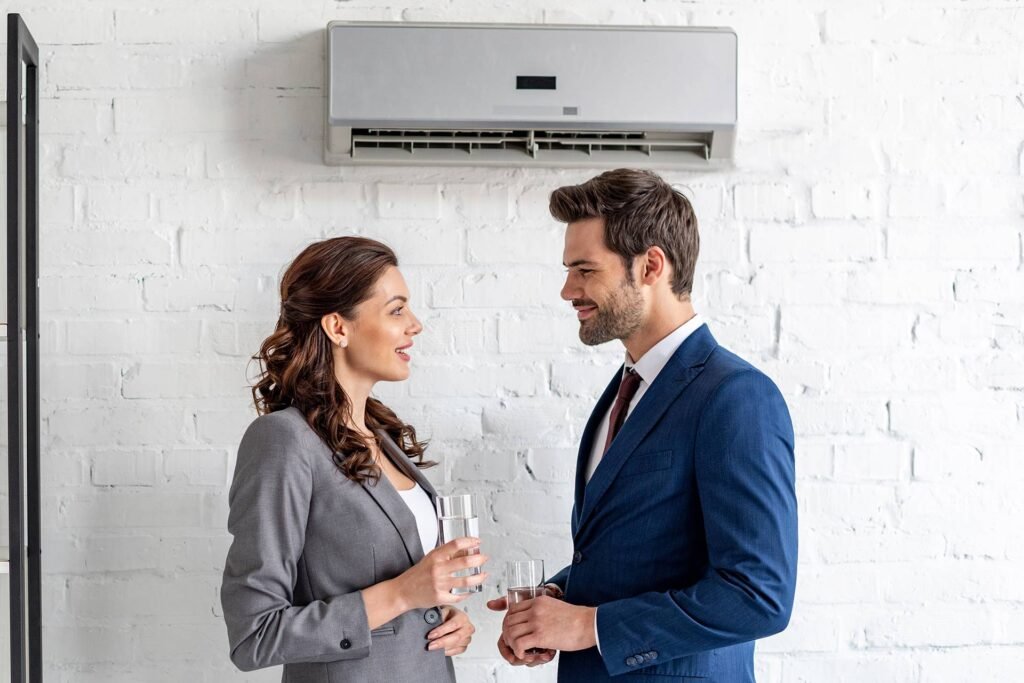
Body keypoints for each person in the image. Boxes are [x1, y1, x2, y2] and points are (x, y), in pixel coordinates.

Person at [487, 169, 798, 682]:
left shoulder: (735, 397)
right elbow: (638, 552)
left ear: (651, 265)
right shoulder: (626, 387)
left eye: (584, 270)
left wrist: (590, 626)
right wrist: (561, 601)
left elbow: (758, 595)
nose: (568, 290)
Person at [221, 236, 488, 682]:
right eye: (397, 310)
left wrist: (439, 616)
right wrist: (403, 595)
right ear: (337, 328)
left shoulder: (383, 439)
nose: (415, 325)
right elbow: (254, 635)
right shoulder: (283, 440)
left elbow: (402, 596)